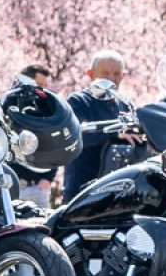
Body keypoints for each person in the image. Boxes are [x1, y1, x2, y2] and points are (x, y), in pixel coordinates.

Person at [61, 51, 141, 200]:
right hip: (82, 187)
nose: (111, 79)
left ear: (123, 77)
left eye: (116, 74)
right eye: (105, 74)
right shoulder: (78, 101)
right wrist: (115, 133)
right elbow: (74, 136)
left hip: (118, 188)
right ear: (90, 74)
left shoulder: (125, 104)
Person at [13, 62, 58, 207]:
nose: (43, 90)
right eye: (40, 85)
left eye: (45, 85)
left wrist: (48, 179)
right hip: (10, 186)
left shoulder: (48, 113)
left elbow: (55, 146)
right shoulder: (9, 108)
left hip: (37, 187)